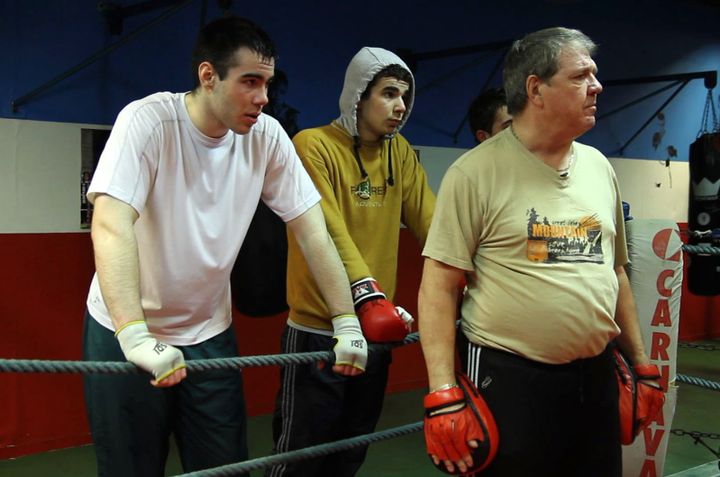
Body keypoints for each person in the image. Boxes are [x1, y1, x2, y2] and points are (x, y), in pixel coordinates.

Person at [82, 16, 366, 477]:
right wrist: (133, 332)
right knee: (129, 469)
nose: (263, 98)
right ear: (208, 76)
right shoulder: (149, 122)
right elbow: (112, 224)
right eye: (249, 82)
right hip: (123, 331)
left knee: (225, 468)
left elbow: (313, 231)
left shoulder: (267, 136)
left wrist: (346, 319)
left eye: (268, 83)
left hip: (209, 334)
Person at [419, 27, 661, 477]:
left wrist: (642, 363)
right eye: (580, 76)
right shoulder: (474, 173)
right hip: (510, 378)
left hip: (596, 376)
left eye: (594, 75)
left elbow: (617, 271)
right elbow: (439, 284)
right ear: (536, 89)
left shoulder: (598, 168)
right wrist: (441, 392)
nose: (597, 86)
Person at [266, 47, 435, 477]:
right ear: (358, 96)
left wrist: (480, 271)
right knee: (300, 456)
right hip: (319, 330)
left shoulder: (402, 155)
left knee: (351, 452)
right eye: (389, 94)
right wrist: (368, 294)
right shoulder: (313, 145)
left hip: (377, 335)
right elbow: (327, 228)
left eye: (405, 96)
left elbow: (433, 225)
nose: (400, 106)